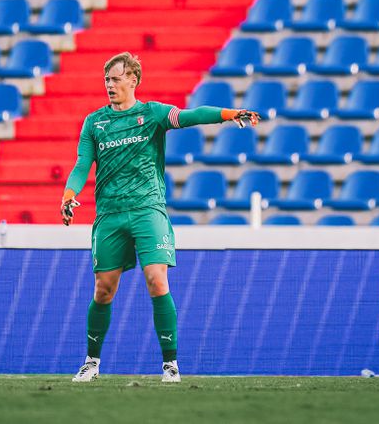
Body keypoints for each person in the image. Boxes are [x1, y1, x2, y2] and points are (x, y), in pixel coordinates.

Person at [61, 52, 260, 383]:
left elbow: (191, 115)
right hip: (109, 214)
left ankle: (171, 364)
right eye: (107, 79)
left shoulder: (152, 114)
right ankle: (91, 362)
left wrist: (228, 114)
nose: (110, 84)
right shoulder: (94, 122)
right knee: (103, 290)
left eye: (116, 78)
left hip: (147, 210)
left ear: (133, 79)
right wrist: (70, 194)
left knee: (156, 279)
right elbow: (83, 164)